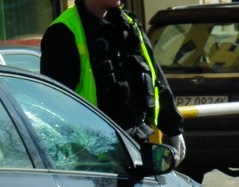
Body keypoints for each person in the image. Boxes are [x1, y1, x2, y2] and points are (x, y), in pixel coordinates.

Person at [40, 0, 185, 161]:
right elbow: (54, 105)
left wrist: (173, 128)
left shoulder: (128, 24)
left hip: (137, 143)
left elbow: (155, 78)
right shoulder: (62, 32)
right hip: (93, 159)